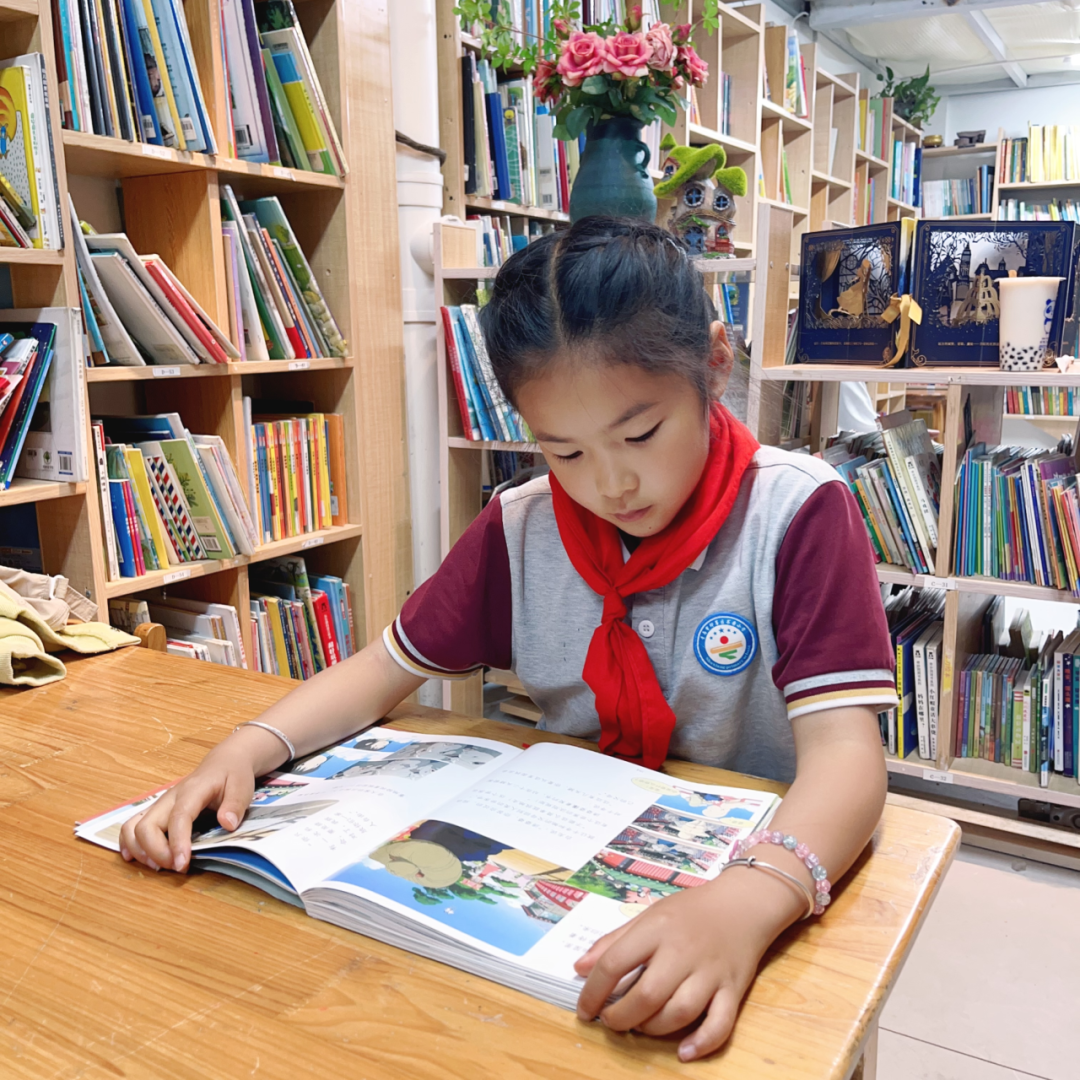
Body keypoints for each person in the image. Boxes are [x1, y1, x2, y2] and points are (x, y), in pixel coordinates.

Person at [120, 217, 896, 1062]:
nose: (611, 483)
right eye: (562, 450)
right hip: (565, 881)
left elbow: (849, 763)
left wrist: (749, 899)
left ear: (713, 361)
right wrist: (246, 746)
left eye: (639, 434)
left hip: (764, 883)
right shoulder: (523, 526)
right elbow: (384, 668)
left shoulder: (798, 513)